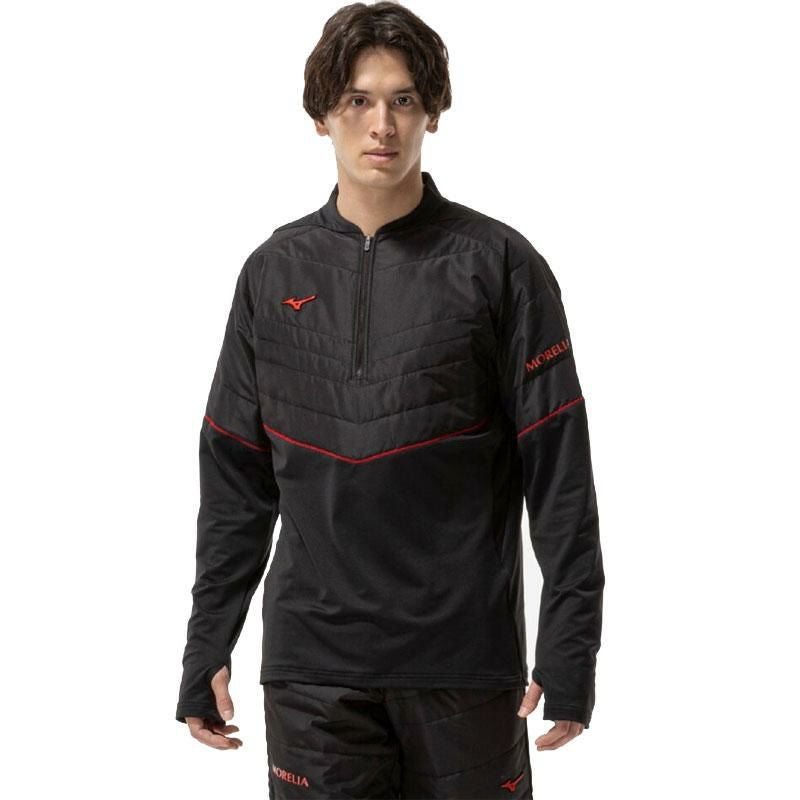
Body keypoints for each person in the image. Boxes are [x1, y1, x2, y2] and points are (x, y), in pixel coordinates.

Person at [175, 2, 605, 797]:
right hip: (313, 672)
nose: (382, 125)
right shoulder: (273, 274)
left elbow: (559, 472)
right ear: (322, 116)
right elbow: (235, 479)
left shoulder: (500, 265)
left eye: (403, 100)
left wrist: (570, 649)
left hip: (465, 666)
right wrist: (207, 644)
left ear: (431, 112)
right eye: (358, 101)